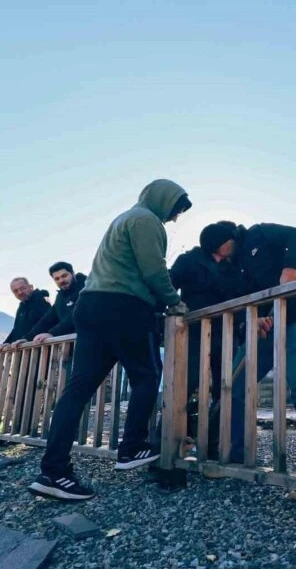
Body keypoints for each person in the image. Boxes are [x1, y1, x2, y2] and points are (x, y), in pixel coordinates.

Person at [28, 179, 192, 501]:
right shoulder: (146, 220)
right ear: (163, 200)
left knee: (78, 389)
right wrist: (175, 301)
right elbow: (153, 271)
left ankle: (53, 471)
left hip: (92, 307)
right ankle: (131, 447)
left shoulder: (123, 219)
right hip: (124, 306)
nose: (174, 218)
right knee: (146, 377)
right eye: (175, 210)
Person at [202, 221, 296, 502]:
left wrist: (290, 266)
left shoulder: (259, 233)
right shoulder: (230, 268)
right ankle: (234, 459)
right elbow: (241, 300)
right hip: (264, 329)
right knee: (234, 385)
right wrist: (254, 319)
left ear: (227, 238)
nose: (218, 257)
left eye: (217, 249)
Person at [170, 222, 244, 454]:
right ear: (219, 242)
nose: (234, 244)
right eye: (230, 239)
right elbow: (168, 286)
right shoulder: (189, 260)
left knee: (226, 387)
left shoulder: (233, 268)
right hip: (192, 333)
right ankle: (171, 446)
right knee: (185, 384)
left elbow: (241, 297)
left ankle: (215, 446)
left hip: (227, 332)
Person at [21, 262, 87, 343]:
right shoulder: (60, 297)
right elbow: (47, 319)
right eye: (57, 278)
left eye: (64, 276)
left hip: (91, 342)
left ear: (72, 273)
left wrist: (53, 333)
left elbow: (77, 314)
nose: (61, 280)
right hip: (70, 346)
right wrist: (26, 338)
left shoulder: (86, 289)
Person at [2, 278, 51, 349]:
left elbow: (44, 324)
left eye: (22, 288)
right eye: (15, 291)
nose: (20, 292)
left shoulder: (41, 301)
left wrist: (27, 338)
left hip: (39, 348)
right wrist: (6, 342)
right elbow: (17, 329)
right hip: (25, 349)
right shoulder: (22, 306)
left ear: (31, 287)